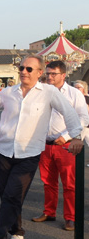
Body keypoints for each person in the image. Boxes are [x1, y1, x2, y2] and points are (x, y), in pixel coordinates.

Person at [0, 55, 84, 239]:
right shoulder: (8, 92)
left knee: (12, 195)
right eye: (21, 68)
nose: (23, 72)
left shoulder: (48, 92)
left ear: (39, 73)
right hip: (3, 151)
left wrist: (75, 136)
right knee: (7, 195)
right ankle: (17, 230)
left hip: (29, 154)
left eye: (29, 69)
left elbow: (70, 114)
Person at [30, 61, 89, 231]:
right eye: (47, 74)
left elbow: (84, 118)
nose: (49, 77)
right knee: (48, 182)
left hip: (66, 145)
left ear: (63, 75)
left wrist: (67, 136)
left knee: (69, 184)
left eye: (53, 74)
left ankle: (70, 217)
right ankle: (49, 212)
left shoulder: (74, 93)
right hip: (45, 144)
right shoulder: (41, 92)